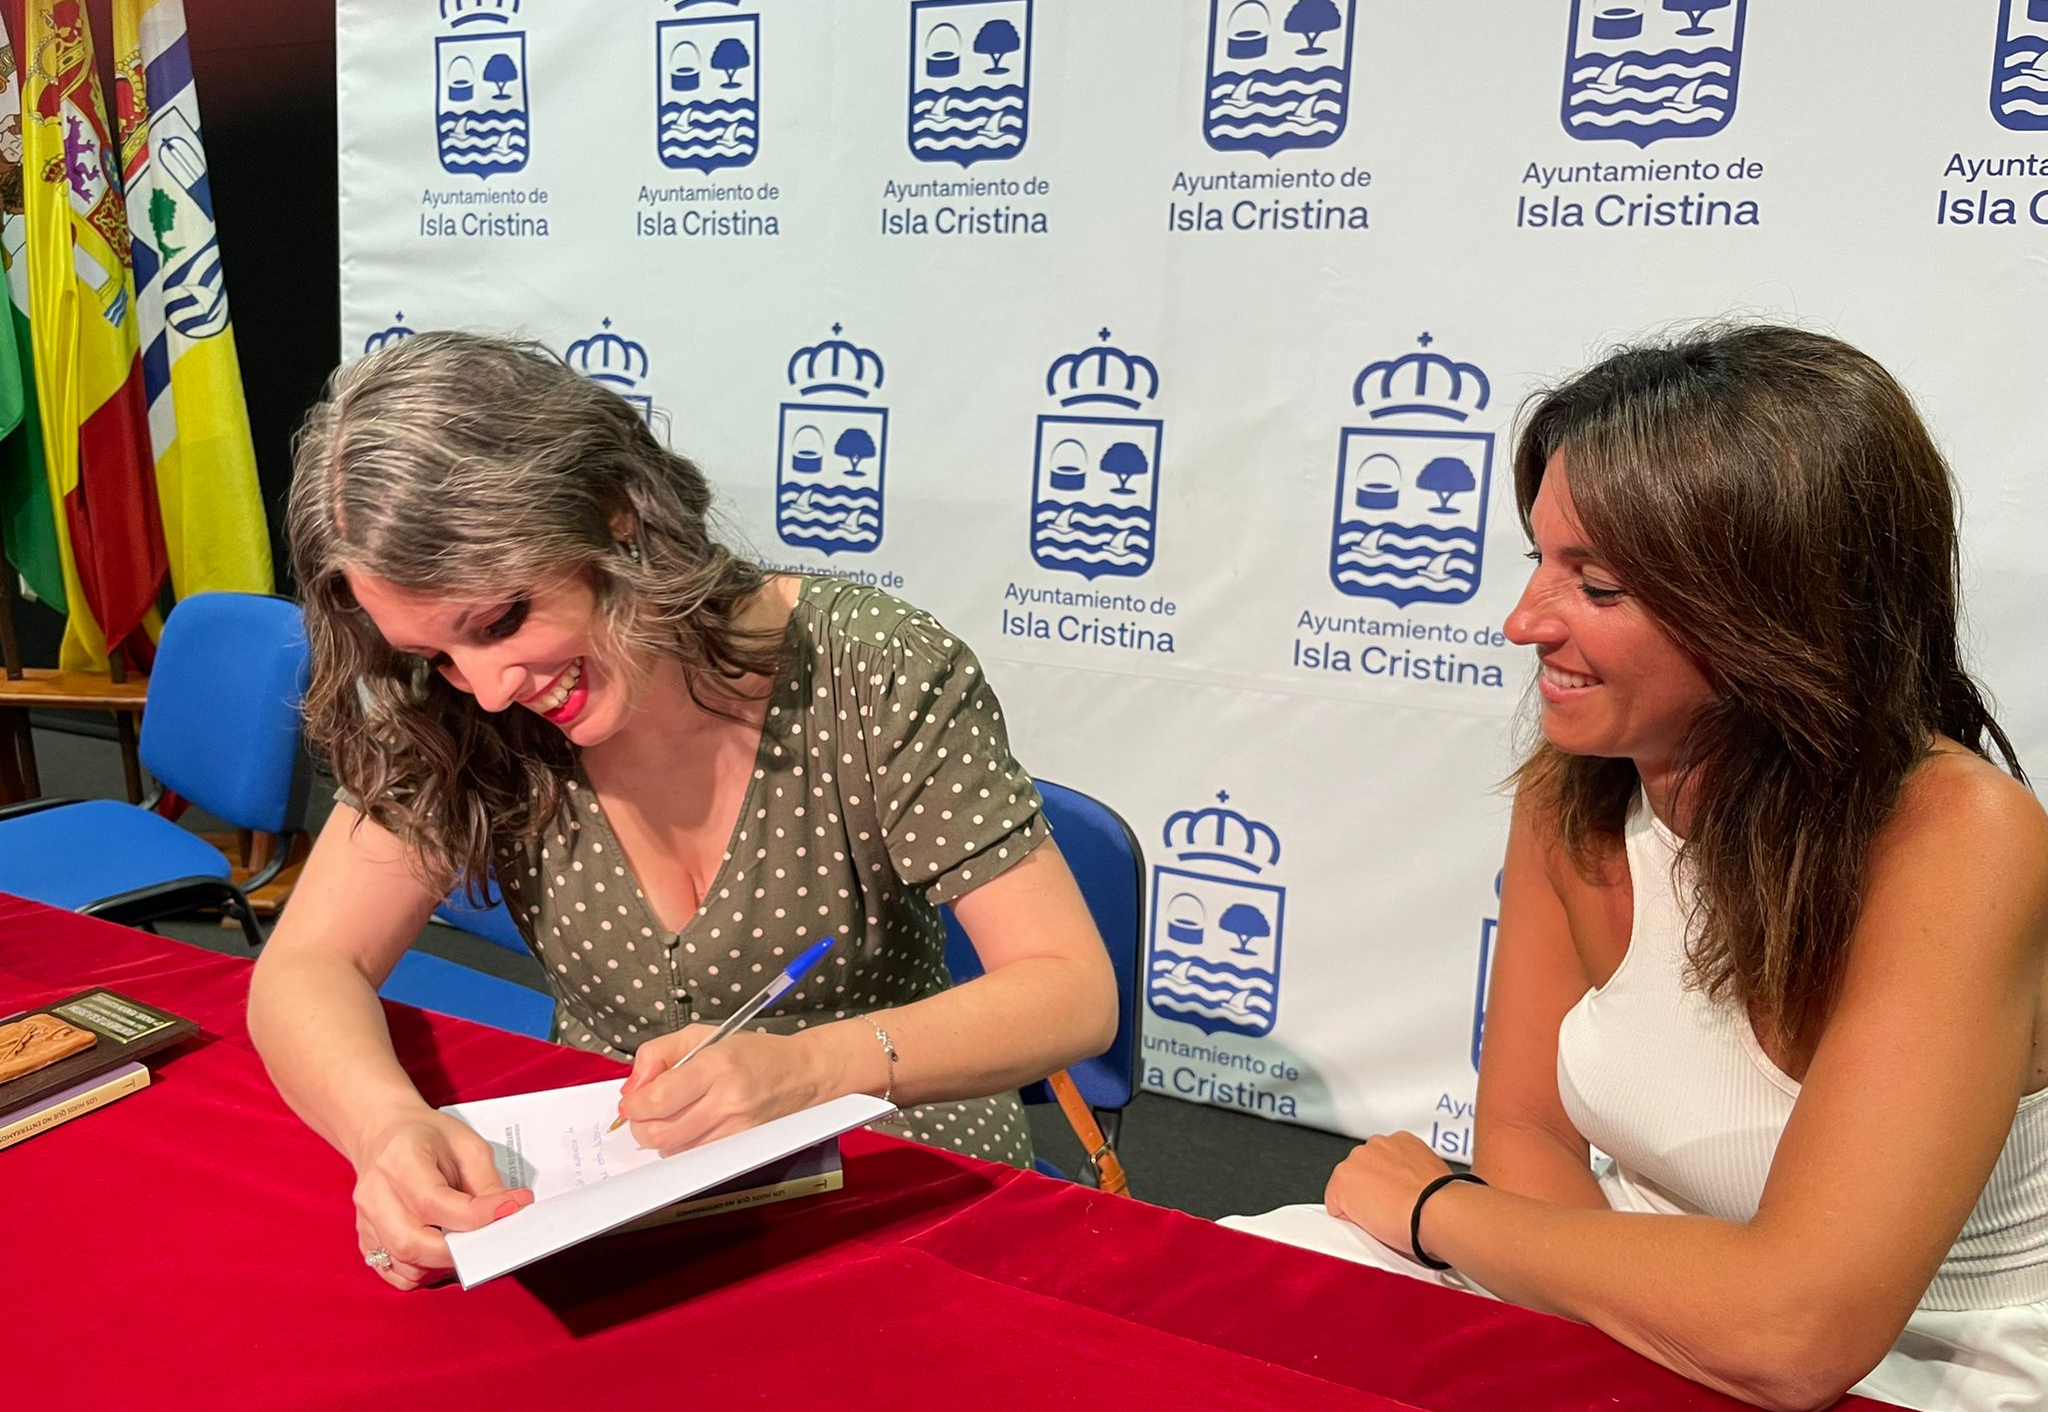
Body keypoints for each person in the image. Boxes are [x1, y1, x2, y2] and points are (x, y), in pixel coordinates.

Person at [1238, 325, 2048, 1412]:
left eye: (1600, 585)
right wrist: (1582, 1353)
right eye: (1537, 560)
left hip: (1924, 1369)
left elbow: (1797, 1332)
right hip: (1634, 1301)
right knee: (1238, 1296)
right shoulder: (1572, 787)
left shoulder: (1961, 836)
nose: (1522, 621)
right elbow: (1526, 1132)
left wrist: (1437, 1211)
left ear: (1775, 605)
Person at [248, 332, 1116, 1291]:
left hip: (900, 1170)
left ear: (611, 512)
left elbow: (1071, 990)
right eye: (438, 656)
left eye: (501, 621)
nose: (489, 688)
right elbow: (310, 964)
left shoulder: (866, 670)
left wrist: (811, 1068)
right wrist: (384, 1128)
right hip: (627, 1207)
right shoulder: (459, 719)